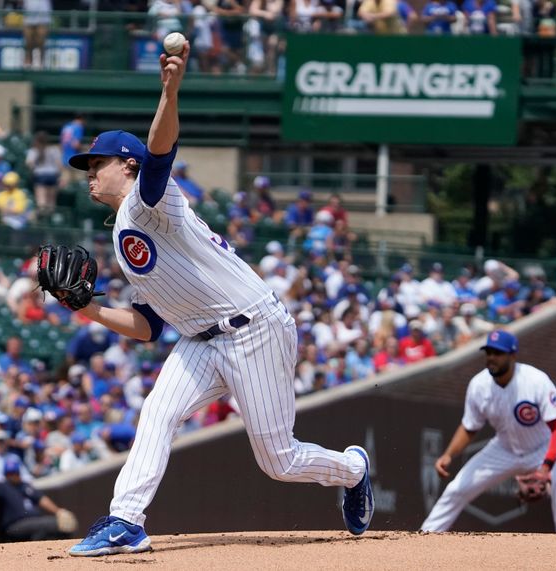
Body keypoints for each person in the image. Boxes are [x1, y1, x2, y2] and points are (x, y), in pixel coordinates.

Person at [63, 39, 373, 557]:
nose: (90, 172)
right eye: (88, 165)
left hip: (254, 328)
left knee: (278, 459)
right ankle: (125, 521)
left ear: (128, 164)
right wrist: (86, 308)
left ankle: (353, 469)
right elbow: (147, 327)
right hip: (199, 340)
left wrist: (170, 89)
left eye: (98, 162)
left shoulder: (151, 200)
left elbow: (160, 149)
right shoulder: (124, 232)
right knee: (157, 414)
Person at [421, 331, 556, 533]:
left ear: (512, 355)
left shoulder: (536, 381)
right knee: (457, 489)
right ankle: (426, 536)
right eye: (488, 352)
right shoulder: (479, 385)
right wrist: (448, 455)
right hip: (504, 448)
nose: (491, 357)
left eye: (498, 353)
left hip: (544, 447)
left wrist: (545, 467)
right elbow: (469, 427)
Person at [0, 456, 77, 541]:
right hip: (15, 526)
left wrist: (58, 511)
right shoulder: (2, 486)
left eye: (15, 473)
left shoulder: (25, 485)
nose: (13, 476)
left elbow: (41, 499)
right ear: (5, 474)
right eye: (9, 473)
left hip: (33, 522)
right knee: (53, 524)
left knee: (63, 525)